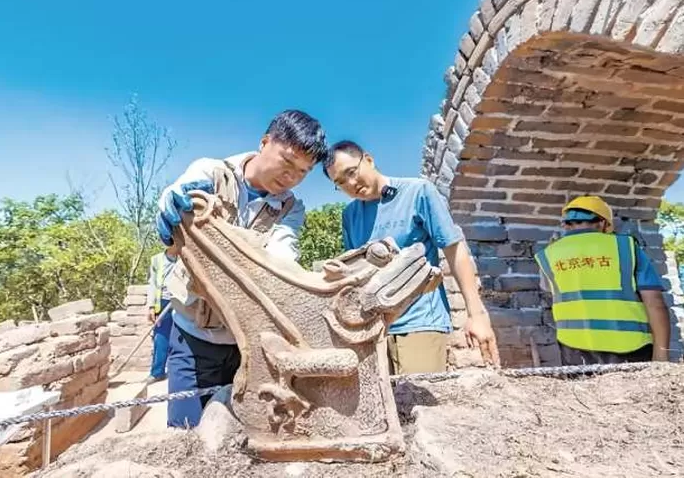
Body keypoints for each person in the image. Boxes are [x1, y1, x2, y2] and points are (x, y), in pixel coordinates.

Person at [155, 109, 327, 427]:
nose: (292, 177)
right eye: (287, 162)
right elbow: (178, 196)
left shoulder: (291, 208)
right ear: (264, 142)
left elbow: (280, 259)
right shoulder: (213, 174)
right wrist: (170, 207)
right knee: (184, 433)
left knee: (243, 432)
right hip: (194, 337)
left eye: (303, 172)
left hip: (245, 340)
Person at [322, 140, 500, 374]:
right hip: (374, 332)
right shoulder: (350, 215)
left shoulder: (418, 192)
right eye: (340, 182)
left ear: (368, 159)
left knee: (420, 405)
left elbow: (454, 251)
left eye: (351, 173)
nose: (351, 184)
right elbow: (357, 276)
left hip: (420, 324)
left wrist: (476, 314)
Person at [535, 195, 671, 365]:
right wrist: (661, 354)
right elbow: (655, 302)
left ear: (566, 224)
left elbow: (550, 290)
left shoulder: (548, 254)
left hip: (574, 349)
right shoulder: (625, 247)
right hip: (630, 347)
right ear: (602, 223)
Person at [144, 246, 178, 385]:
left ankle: (178, 373)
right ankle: (157, 372)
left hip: (182, 302)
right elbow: (152, 283)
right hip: (163, 302)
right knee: (161, 338)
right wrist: (151, 306)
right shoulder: (157, 260)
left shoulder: (185, 257)